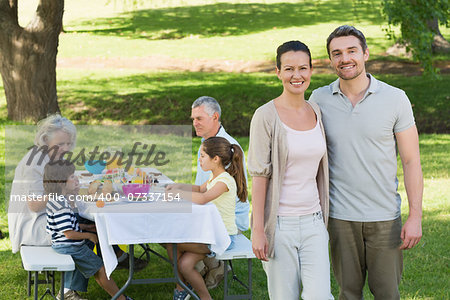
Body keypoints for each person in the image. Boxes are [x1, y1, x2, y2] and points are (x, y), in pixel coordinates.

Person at [309, 25, 423, 300]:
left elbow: (411, 160)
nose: (344, 58)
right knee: (348, 293)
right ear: (330, 60)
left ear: (365, 54)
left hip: (384, 217)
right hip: (339, 217)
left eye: (351, 51)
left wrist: (416, 216)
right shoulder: (318, 100)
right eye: (337, 53)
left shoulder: (396, 98)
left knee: (387, 293)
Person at [248, 41, 333, 300]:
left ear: (311, 70)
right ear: (278, 72)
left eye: (303, 68)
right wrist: (258, 230)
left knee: (320, 296)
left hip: (314, 222)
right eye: (289, 69)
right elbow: (259, 176)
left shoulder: (316, 110)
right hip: (279, 224)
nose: (297, 75)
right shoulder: (265, 116)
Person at [166, 136, 248, 300]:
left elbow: (203, 198)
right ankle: (200, 295)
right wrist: (179, 186)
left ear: (215, 159)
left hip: (222, 236)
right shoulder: (214, 177)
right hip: (210, 233)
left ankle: (182, 289)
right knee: (185, 265)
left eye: (202, 156)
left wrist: (177, 193)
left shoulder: (224, 181)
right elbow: (199, 189)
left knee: (172, 242)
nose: (199, 159)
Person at [44, 160, 133, 300]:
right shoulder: (61, 204)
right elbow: (69, 234)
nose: (76, 178)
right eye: (72, 176)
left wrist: (88, 228)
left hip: (65, 244)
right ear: (61, 183)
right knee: (100, 269)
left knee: (94, 241)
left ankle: (67, 292)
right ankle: (121, 298)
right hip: (69, 247)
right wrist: (88, 236)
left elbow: (69, 225)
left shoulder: (58, 199)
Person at [191, 96, 250, 287]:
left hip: (228, 219)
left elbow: (230, 195)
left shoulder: (227, 149)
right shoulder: (206, 144)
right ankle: (201, 268)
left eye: (199, 118)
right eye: (193, 119)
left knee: (177, 233)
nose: (194, 123)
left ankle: (213, 266)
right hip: (209, 210)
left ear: (215, 117)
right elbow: (203, 187)